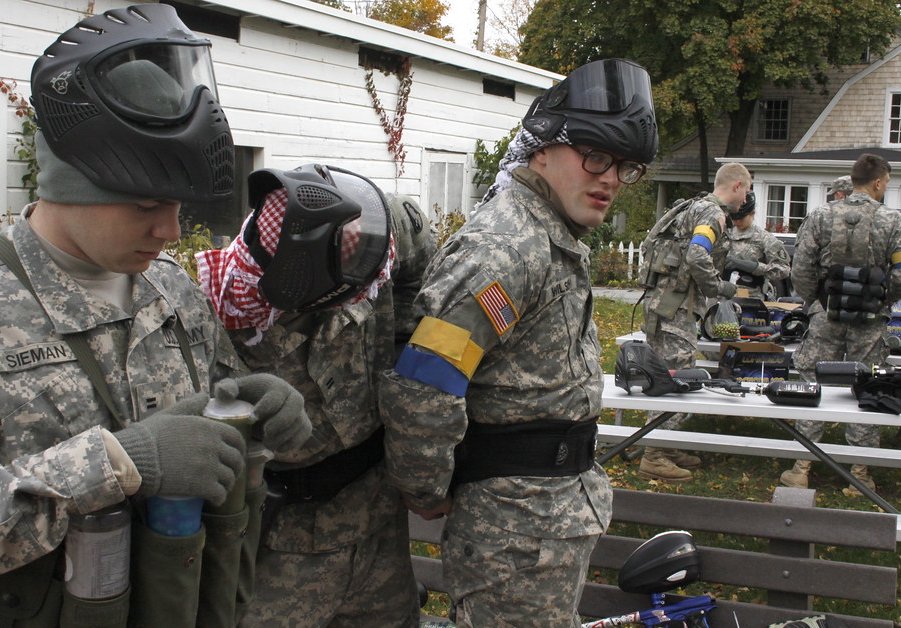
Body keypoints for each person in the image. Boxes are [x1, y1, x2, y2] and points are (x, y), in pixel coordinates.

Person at [0, 5, 310, 625]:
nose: (169, 231)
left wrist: (257, 406)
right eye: (145, 204)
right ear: (73, 183)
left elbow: (212, 410)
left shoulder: (170, 292)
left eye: (176, 205)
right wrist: (116, 463)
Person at [378, 58, 658, 626]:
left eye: (623, 167)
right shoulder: (505, 248)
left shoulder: (550, 237)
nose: (608, 178)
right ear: (541, 151)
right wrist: (426, 488)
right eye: (596, 156)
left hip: (548, 521)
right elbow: (425, 382)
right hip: (512, 536)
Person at [195, 164, 435, 626]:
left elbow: (417, 252)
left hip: (378, 528)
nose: (372, 268)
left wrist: (405, 345)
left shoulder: (371, 226)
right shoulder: (222, 323)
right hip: (281, 552)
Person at [781, 153, 901, 494]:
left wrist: (816, 301)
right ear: (877, 182)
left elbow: (800, 268)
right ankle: (859, 473)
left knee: (813, 382)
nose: (886, 188)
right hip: (869, 320)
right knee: (866, 386)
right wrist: (886, 300)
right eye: (886, 182)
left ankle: (801, 467)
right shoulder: (893, 221)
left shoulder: (820, 215)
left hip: (827, 314)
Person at [640, 162, 752, 482]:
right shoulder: (713, 214)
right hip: (676, 309)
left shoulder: (692, 207)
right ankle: (654, 455)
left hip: (664, 304)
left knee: (671, 373)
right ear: (736, 186)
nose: (746, 198)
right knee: (675, 379)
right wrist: (720, 289)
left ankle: (667, 444)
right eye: (746, 189)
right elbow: (697, 256)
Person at [723, 191, 791, 302]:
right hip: (722, 296)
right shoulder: (725, 235)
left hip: (750, 297)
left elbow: (783, 270)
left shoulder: (764, 239)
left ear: (752, 213)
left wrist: (754, 267)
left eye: (741, 218)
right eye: (734, 218)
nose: (737, 221)